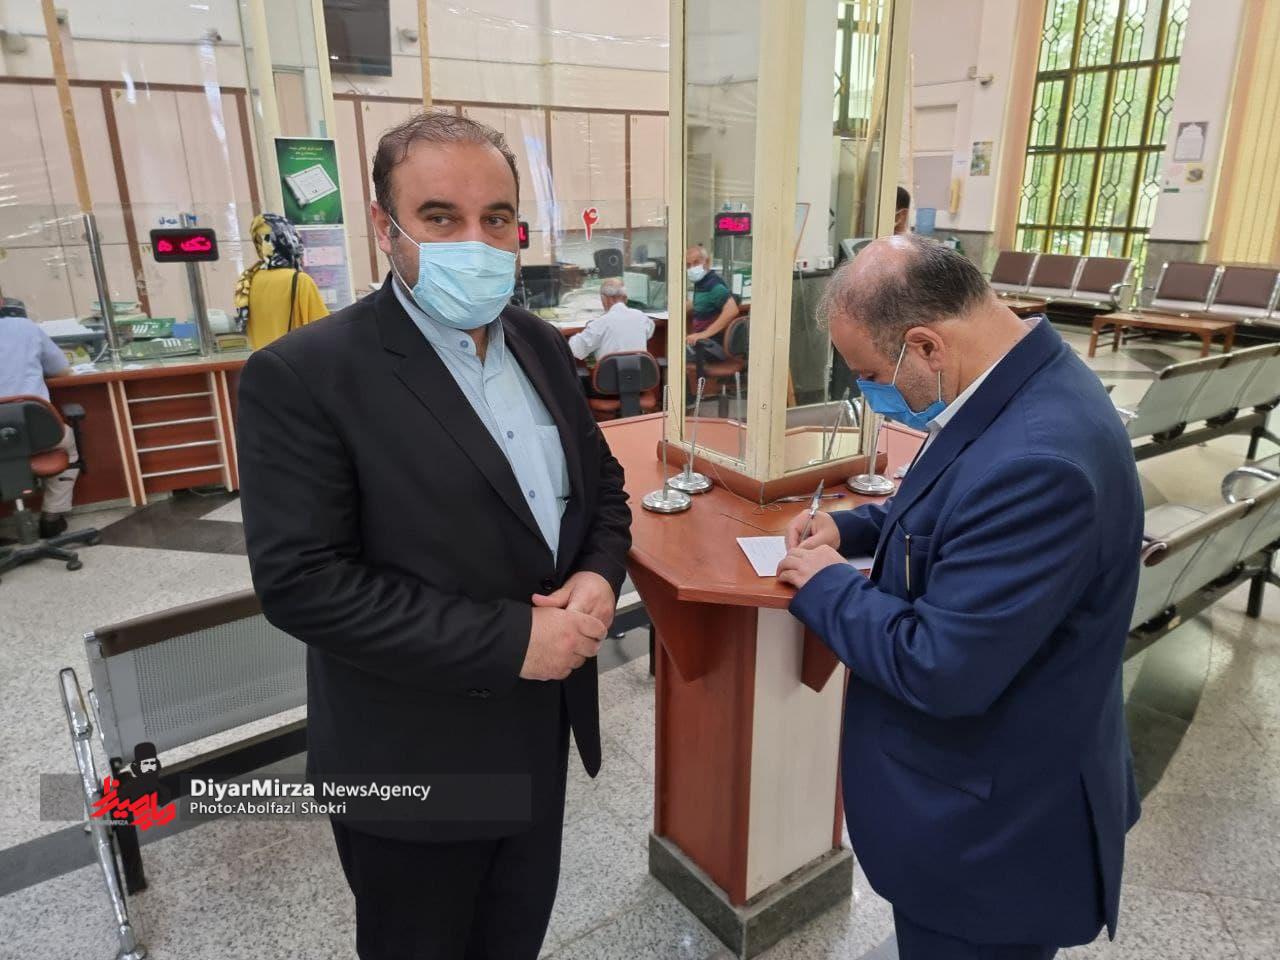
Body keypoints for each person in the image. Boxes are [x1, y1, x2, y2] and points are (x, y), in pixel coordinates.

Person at [236, 111, 632, 960]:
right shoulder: (306, 376)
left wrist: (601, 575)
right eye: (441, 217)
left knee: (512, 937)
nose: (476, 243)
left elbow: (602, 490)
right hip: (412, 756)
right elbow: (303, 584)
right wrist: (513, 640)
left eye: (497, 218)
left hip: (538, 736)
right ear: (386, 229)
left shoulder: (541, 346)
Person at [777, 235, 1142, 960]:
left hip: (993, 836)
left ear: (925, 346)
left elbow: (941, 665)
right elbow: (955, 503)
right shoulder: (1018, 378)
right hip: (983, 800)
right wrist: (851, 527)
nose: (870, 392)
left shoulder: (1041, 460)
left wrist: (826, 586)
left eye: (871, 375)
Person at [0, 310, 78, 538]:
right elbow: (62, 370)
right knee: (68, 445)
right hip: (37, 434)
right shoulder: (25, 327)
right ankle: (52, 516)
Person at [234, 213, 328, 349]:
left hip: (262, 360)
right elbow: (325, 332)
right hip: (293, 359)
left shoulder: (248, 280)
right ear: (288, 240)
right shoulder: (300, 281)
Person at [567, 276, 654, 362]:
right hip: (640, 370)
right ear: (625, 298)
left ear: (605, 299)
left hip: (610, 371)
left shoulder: (600, 323)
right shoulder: (642, 317)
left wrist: (587, 330)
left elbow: (576, 349)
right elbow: (649, 332)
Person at [684, 244, 738, 363]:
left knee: (674, 357)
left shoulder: (713, 284)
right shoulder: (702, 282)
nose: (692, 268)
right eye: (688, 265)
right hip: (704, 342)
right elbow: (705, 301)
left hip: (712, 346)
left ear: (707, 262)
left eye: (696, 263)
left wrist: (704, 334)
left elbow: (732, 310)